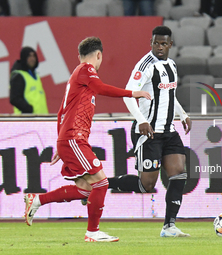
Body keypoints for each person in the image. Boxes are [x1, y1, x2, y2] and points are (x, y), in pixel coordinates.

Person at [23, 37, 151, 242]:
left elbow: (61, 112)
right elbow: (101, 88)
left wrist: (60, 142)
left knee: (86, 189)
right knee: (100, 183)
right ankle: (92, 232)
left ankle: (37, 200)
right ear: (98, 54)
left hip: (70, 139)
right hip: (74, 138)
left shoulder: (78, 78)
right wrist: (132, 93)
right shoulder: (86, 70)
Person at [106, 26, 192, 237]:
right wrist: (142, 120)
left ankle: (169, 226)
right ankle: (101, 184)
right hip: (149, 133)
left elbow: (170, 96)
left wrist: (182, 114)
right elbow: (128, 95)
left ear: (170, 44)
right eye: (156, 43)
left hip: (169, 131)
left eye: (163, 44)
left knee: (179, 173)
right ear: (151, 43)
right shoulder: (145, 66)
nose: (159, 47)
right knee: (147, 185)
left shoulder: (171, 65)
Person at [10, 46, 49, 114]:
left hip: (41, 118)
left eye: (34, 56)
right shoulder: (19, 76)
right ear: (24, 58)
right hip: (27, 120)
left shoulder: (35, 75)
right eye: (29, 56)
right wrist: (29, 109)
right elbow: (14, 98)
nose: (32, 59)